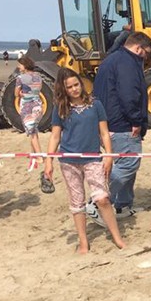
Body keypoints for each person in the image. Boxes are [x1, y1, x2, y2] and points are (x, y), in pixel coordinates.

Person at [43, 68, 125, 254]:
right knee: (77, 202)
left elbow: (104, 133)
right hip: (68, 160)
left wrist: (109, 156)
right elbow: (55, 136)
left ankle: (117, 237)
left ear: (81, 83)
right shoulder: (60, 108)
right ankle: (83, 241)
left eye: (76, 84)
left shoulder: (95, 104)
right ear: (63, 89)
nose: (74, 89)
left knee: (102, 198)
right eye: (69, 87)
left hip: (93, 158)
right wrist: (48, 162)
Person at [92, 31, 151, 219]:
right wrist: (136, 120)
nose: (146, 58)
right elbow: (129, 94)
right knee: (128, 164)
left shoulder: (111, 60)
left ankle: (123, 205)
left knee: (124, 164)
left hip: (107, 122)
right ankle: (97, 200)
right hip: (122, 124)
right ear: (138, 48)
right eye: (147, 53)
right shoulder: (127, 63)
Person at [14, 56, 52, 187]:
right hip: (38, 104)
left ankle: (39, 156)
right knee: (33, 129)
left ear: (24, 65)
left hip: (28, 105)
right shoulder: (38, 77)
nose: (19, 67)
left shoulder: (20, 78)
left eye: (20, 65)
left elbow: (16, 93)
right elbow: (38, 89)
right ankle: (34, 154)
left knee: (32, 132)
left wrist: (22, 94)